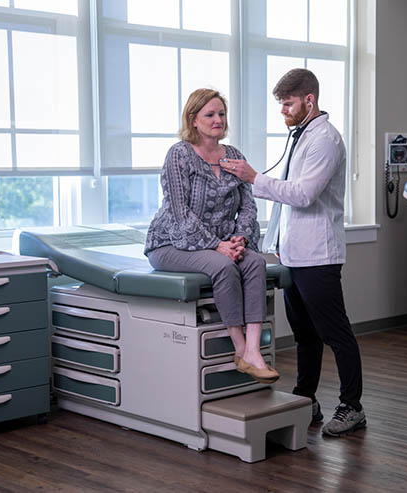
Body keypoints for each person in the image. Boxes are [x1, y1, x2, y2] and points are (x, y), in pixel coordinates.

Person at [220, 69, 365, 437]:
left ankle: (352, 406)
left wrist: (253, 178)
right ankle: (306, 398)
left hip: (319, 255)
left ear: (309, 100)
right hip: (293, 254)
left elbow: (302, 194)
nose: (283, 111)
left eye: (288, 104)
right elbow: (287, 191)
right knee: (304, 334)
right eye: (281, 104)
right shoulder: (301, 136)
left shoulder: (326, 140)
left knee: (336, 333)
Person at [144, 88, 279, 384]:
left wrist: (240, 239)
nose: (218, 119)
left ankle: (254, 351)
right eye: (210, 114)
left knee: (255, 263)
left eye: (221, 114)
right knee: (223, 266)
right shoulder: (179, 155)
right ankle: (241, 348)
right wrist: (218, 245)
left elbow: (247, 205)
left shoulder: (233, 156)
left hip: (224, 244)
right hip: (172, 242)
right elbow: (180, 214)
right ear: (193, 119)